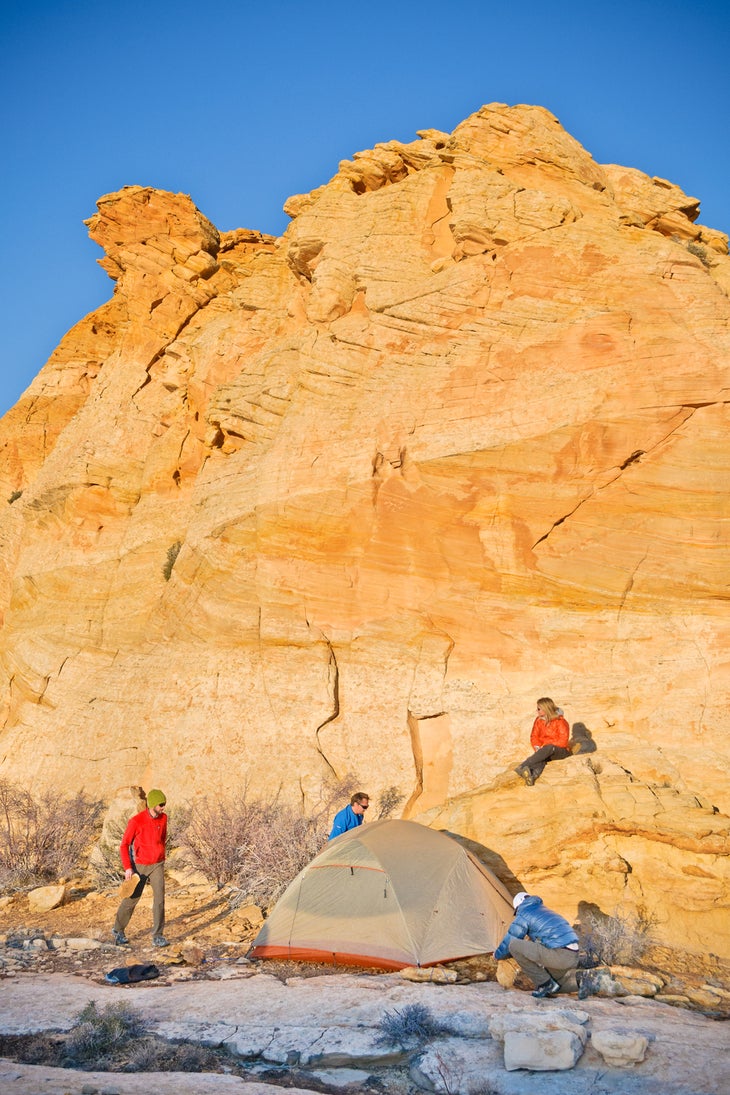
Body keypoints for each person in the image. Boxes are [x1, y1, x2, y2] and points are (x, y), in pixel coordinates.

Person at [112, 789, 169, 947]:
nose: (163, 808)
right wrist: (128, 868)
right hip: (140, 865)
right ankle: (118, 929)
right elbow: (124, 845)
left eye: (164, 804)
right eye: (161, 805)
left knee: (159, 900)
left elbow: (163, 838)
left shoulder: (163, 818)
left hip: (157, 863)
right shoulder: (136, 821)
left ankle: (158, 935)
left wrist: (161, 854)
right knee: (132, 899)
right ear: (152, 805)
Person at [494, 891, 580, 997]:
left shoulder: (524, 913)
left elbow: (512, 938)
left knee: (514, 945)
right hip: (573, 955)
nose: (517, 914)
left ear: (518, 906)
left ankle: (544, 984)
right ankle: (585, 980)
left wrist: (497, 955)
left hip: (560, 955)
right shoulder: (543, 910)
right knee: (556, 985)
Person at [515, 697, 570, 785]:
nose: (537, 711)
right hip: (546, 750)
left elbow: (563, 741)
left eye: (539, 709)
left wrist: (545, 746)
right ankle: (532, 775)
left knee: (548, 748)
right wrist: (537, 747)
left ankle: (522, 766)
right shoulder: (538, 720)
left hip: (560, 751)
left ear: (545, 709)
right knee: (542, 756)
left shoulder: (560, 721)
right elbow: (534, 736)